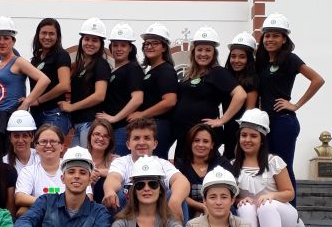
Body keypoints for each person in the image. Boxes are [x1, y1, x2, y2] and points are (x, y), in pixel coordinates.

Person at [256, 12, 325, 199]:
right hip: (264, 123)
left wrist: (296, 105)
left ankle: (291, 211)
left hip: (283, 122)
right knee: (267, 167)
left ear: (284, 39)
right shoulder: (260, 61)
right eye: (267, 36)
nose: (270, 39)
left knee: (284, 167)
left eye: (275, 35)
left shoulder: (290, 59)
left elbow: (318, 80)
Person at [231, 109, 298, 227]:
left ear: (262, 139)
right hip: (252, 222)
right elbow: (228, 197)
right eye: (244, 135)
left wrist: (271, 196)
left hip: (280, 218)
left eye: (253, 136)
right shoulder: (232, 165)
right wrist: (238, 200)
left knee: (266, 205)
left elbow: (289, 193)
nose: (247, 140)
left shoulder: (273, 161)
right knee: (245, 207)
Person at [173, 27, 246, 157]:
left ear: (214, 53)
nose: (203, 54)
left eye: (208, 50)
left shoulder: (217, 72)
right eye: (200, 49)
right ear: (194, 51)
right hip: (184, 134)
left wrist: (222, 120)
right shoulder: (189, 75)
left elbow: (240, 95)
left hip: (203, 137)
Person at [102, 118, 190, 221]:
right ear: (128, 145)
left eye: (147, 138)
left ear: (155, 144)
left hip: (158, 218)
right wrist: (109, 190)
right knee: (116, 195)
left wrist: (175, 201)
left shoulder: (163, 163)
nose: (141, 142)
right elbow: (113, 178)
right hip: (128, 217)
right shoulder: (121, 162)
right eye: (136, 138)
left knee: (175, 195)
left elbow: (181, 181)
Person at [0, 16, 49, 140]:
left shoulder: (18, 61)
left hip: (12, 117)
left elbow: (44, 80)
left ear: (13, 41)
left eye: (6, 38)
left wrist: (27, 102)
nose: (2, 42)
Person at [58, 17, 111, 147]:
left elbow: (99, 95)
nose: (90, 43)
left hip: (90, 124)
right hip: (78, 124)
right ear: (81, 40)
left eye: (95, 40)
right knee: (77, 158)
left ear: (101, 44)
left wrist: (72, 107)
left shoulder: (101, 64)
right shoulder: (81, 65)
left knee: (87, 158)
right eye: (87, 39)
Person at [96, 23, 144, 156]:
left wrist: (114, 118)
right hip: (112, 130)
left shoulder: (133, 68)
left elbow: (137, 99)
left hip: (122, 129)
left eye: (123, 45)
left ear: (130, 48)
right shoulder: (114, 70)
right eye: (115, 45)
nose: (118, 49)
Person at [134, 22, 178, 158]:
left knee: (155, 162)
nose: (149, 46)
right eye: (147, 43)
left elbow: (170, 101)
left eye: (154, 43)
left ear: (164, 47)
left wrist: (142, 114)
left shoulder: (166, 70)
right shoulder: (152, 70)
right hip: (151, 124)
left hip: (160, 125)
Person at [28, 17, 72, 134]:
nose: (47, 37)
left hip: (53, 114)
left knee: (51, 145)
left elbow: (64, 85)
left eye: (51, 34)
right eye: (44, 33)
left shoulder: (61, 55)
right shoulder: (35, 59)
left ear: (57, 36)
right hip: (35, 115)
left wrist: (39, 100)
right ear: (38, 35)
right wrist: (28, 100)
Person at [174, 123, 227, 219]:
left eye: (205, 141)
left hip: (218, 209)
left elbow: (229, 193)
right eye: (196, 140)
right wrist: (201, 207)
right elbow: (177, 194)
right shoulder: (181, 165)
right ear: (190, 143)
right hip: (188, 211)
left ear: (212, 145)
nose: (201, 145)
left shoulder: (222, 164)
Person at [15, 124, 68, 212]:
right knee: (22, 211)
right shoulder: (28, 171)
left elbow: (88, 196)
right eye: (43, 141)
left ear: (62, 147)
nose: (48, 145)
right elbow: (20, 197)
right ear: (36, 147)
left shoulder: (72, 168)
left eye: (53, 141)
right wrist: (49, 202)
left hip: (68, 214)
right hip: (41, 215)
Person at [223, 32, 259, 159]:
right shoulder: (227, 77)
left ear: (249, 59)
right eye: (233, 56)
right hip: (228, 130)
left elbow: (249, 112)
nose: (236, 60)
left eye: (242, 57)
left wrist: (242, 140)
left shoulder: (252, 79)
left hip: (241, 131)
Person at [85, 119, 117, 205]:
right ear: (90, 136)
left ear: (110, 140)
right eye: (97, 134)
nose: (101, 138)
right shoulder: (80, 156)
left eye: (106, 136)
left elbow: (120, 173)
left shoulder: (115, 160)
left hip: (105, 205)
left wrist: (98, 172)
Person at [5, 109, 39, 174]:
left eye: (25, 136)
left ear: (32, 137)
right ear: (10, 138)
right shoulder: (5, 162)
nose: (20, 140)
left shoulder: (41, 158)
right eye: (16, 136)